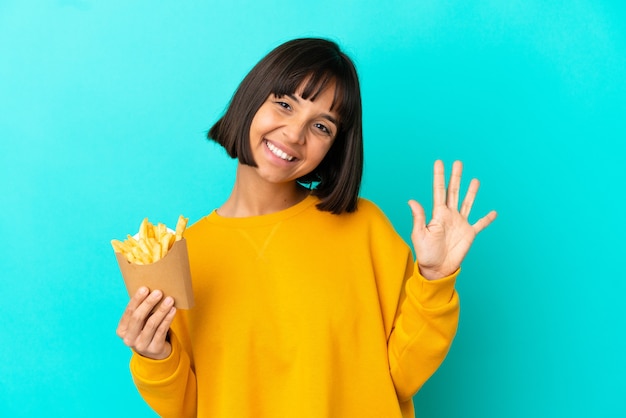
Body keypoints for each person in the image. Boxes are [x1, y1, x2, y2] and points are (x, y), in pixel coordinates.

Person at [116, 38, 497, 418]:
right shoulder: (183, 256)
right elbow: (190, 408)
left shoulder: (364, 228)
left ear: (335, 147)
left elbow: (401, 376)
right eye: (284, 104)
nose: (296, 134)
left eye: (321, 126)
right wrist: (156, 357)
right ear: (251, 100)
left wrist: (434, 277)